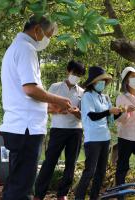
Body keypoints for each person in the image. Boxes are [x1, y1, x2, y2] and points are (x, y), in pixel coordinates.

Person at [0, 15, 72, 200]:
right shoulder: (26, 49)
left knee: (16, 183)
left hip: (19, 126)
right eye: (49, 35)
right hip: (26, 130)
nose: (49, 39)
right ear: (37, 30)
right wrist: (60, 100)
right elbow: (30, 89)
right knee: (21, 188)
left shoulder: (15, 48)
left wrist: (49, 108)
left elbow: (21, 97)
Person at [34, 60, 86, 200]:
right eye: (74, 73)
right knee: (49, 162)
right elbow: (44, 107)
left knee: (71, 164)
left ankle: (62, 194)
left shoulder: (83, 92)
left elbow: (85, 115)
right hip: (58, 129)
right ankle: (39, 194)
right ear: (68, 71)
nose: (76, 76)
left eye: (79, 75)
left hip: (76, 130)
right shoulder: (55, 87)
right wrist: (57, 109)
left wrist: (77, 113)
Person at [74, 66, 122, 200]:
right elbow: (92, 116)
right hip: (93, 139)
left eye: (104, 81)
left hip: (105, 138)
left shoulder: (105, 98)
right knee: (89, 171)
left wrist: (121, 112)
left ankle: (94, 197)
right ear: (93, 82)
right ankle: (79, 197)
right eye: (99, 81)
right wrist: (109, 111)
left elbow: (109, 119)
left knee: (101, 172)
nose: (102, 83)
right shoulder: (87, 96)